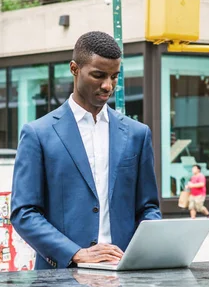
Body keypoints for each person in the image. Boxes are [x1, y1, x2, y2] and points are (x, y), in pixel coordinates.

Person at [10, 31, 162, 270]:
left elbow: (148, 208)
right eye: (98, 76)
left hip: (125, 277)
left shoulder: (137, 134)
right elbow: (24, 213)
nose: (107, 85)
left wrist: (142, 251)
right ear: (74, 69)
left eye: (114, 77)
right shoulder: (38, 134)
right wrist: (76, 254)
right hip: (63, 279)